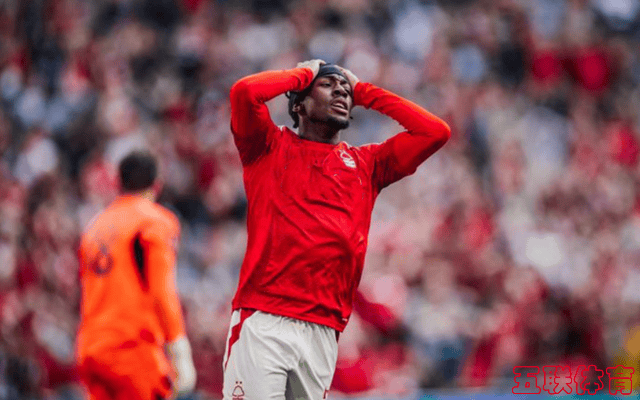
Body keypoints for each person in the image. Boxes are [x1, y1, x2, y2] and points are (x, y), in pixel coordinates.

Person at [223, 59, 451, 399]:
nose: (341, 91)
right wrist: (304, 73)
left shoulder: (368, 165)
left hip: (325, 329)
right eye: (328, 85)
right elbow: (244, 92)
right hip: (265, 318)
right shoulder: (267, 147)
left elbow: (435, 132)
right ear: (299, 105)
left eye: (346, 89)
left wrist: (366, 92)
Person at [76, 152, 196, 400]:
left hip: (91, 348)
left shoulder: (94, 227)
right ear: (157, 185)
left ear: (118, 183)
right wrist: (179, 347)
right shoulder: (154, 221)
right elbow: (162, 290)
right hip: (131, 349)